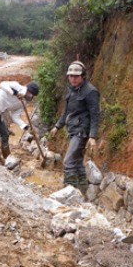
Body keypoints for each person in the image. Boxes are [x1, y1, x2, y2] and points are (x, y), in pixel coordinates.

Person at [49, 61, 100, 195]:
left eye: (76, 76)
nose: (73, 78)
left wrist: (92, 136)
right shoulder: (71, 89)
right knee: (77, 162)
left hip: (81, 131)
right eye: (71, 76)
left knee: (68, 161)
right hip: (72, 129)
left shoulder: (90, 91)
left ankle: (68, 193)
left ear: (83, 76)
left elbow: (95, 115)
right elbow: (67, 111)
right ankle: (83, 192)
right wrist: (57, 126)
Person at [0, 81, 39, 159]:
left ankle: (7, 158)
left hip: (0, 112)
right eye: (31, 95)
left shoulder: (23, 103)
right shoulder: (17, 86)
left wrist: (26, 127)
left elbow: (16, 117)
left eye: (33, 96)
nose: (31, 97)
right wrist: (15, 93)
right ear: (28, 91)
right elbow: (2, 84)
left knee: (5, 134)